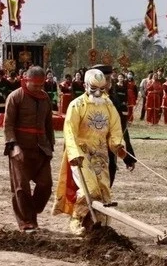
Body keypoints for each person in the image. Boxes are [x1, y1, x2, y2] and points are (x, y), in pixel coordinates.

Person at [53, 68, 128, 235]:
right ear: (86, 86)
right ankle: (76, 219)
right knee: (90, 189)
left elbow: (116, 130)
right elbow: (69, 131)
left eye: (102, 89)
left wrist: (118, 145)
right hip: (81, 153)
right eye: (94, 88)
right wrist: (74, 154)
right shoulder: (77, 105)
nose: (98, 93)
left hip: (101, 154)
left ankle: (101, 226)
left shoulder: (109, 105)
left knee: (104, 191)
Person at [3, 66, 55, 232]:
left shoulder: (45, 98)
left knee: (46, 184)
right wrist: (14, 146)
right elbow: (8, 124)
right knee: (21, 187)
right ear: (26, 81)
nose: (39, 89)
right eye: (35, 85)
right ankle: (26, 222)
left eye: (41, 85)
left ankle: (32, 211)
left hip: (41, 149)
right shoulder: (15, 97)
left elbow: (49, 125)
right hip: (20, 149)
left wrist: (50, 146)